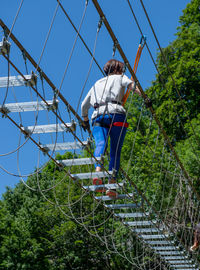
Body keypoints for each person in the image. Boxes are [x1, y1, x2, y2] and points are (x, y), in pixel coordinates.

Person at [81, 59, 141, 198]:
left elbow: (84, 105)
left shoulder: (96, 84)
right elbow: (131, 86)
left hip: (98, 116)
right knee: (115, 150)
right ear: (118, 69)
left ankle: (97, 171)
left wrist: (85, 120)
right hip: (117, 114)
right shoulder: (120, 77)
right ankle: (112, 184)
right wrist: (144, 96)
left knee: (101, 143)